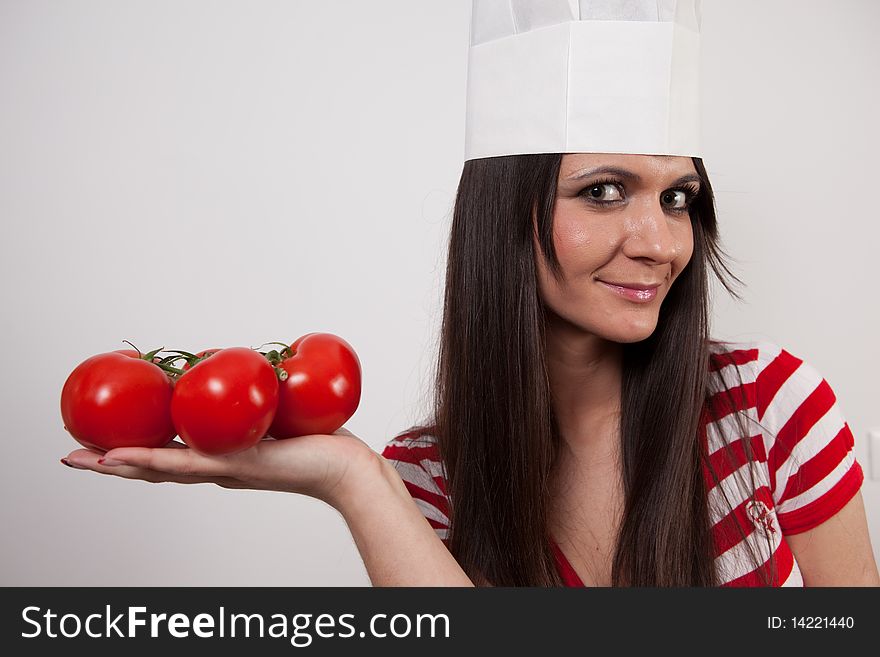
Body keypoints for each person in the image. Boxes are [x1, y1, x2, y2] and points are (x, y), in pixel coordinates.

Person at [61, 1, 880, 587]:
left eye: (677, 196)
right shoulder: (424, 477)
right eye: (603, 190)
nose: (662, 241)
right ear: (504, 217)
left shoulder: (771, 407)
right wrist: (354, 480)